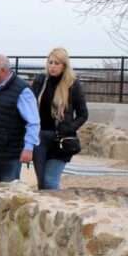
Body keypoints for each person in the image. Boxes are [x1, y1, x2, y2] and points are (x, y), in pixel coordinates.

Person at [30, 48, 88, 190]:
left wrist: (70, 128)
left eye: (57, 63)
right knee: (41, 183)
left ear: (64, 66)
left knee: (50, 180)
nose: (53, 66)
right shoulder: (41, 81)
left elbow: (83, 114)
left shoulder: (73, 85)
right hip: (40, 137)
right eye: (50, 62)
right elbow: (29, 105)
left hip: (61, 140)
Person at [0, 54, 39, 183]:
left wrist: (28, 148)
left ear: (3, 71)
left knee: (9, 192)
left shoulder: (22, 90)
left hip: (10, 154)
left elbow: (33, 122)